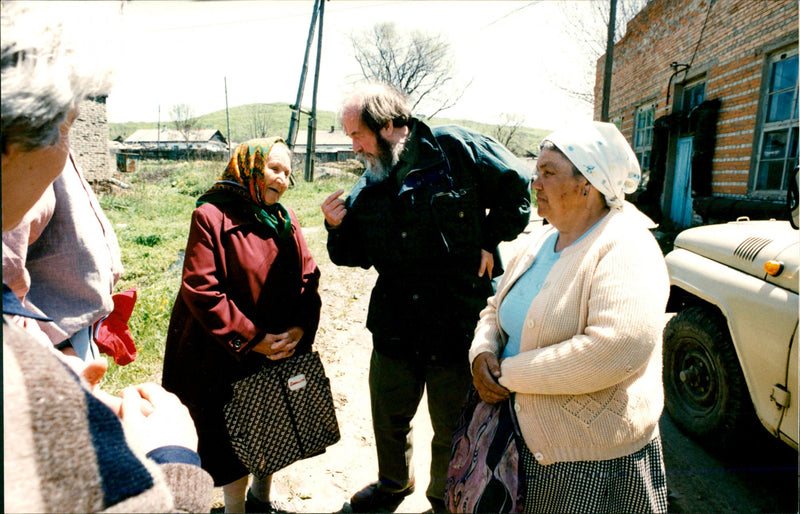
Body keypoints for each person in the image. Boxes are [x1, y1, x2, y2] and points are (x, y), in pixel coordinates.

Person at [2, 1, 213, 512]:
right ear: (11, 140)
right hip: (52, 334)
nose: (65, 143)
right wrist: (173, 456)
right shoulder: (19, 386)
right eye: (68, 122)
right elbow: (9, 283)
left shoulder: (51, 167)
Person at [321, 82, 531, 513]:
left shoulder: (457, 149)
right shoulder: (371, 181)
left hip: (455, 322)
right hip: (396, 325)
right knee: (389, 418)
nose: (354, 146)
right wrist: (335, 227)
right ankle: (393, 484)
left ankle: (442, 498)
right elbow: (354, 257)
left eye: (357, 134)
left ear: (391, 125)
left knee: (453, 424)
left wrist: (490, 238)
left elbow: (519, 188)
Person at [469, 121, 670, 513]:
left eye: (548, 173)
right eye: (536, 173)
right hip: (524, 440)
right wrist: (481, 351)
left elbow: (613, 350)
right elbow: (495, 309)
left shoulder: (626, 246)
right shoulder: (541, 239)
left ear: (588, 184)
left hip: (591, 463)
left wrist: (505, 376)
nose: (535, 184)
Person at [161, 137, 323, 513]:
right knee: (233, 441)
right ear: (249, 167)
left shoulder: (284, 217)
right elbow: (202, 289)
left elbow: (308, 276)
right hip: (224, 351)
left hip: (279, 345)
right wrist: (252, 340)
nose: (282, 180)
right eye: (274, 169)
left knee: (272, 428)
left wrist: (299, 329)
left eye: (288, 173)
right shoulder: (211, 214)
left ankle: (260, 503)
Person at [3, 149, 136, 365]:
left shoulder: (54, 146)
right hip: (49, 337)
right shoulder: (27, 152)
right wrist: (56, 353)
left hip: (72, 330)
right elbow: (6, 279)